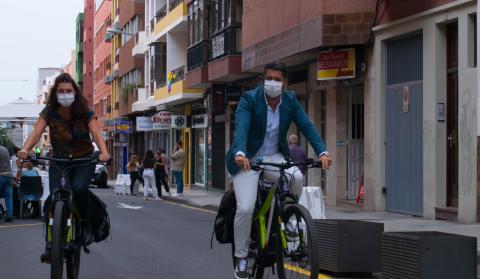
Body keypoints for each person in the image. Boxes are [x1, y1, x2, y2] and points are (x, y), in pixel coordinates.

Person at [225, 62, 332, 279]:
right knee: (245, 208)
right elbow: (241, 128)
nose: (272, 82)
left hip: (275, 157)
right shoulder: (250, 99)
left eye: (277, 79)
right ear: (264, 79)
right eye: (269, 78)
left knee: (297, 177)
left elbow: (307, 127)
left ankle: (289, 217)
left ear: (285, 82)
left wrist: (322, 152)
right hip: (248, 158)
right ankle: (242, 258)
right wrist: (240, 153)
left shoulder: (290, 101)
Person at [17, 73, 110, 263]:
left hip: (82, 161)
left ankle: (84, 225)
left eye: (68, 91)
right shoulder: (50, 111)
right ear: (55, 93)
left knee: (80, 189)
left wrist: (104, 152)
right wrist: (25, 149)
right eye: (61, 91)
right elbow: (36, 133)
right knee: (53, 198)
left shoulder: (84, 110)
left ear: (74, 92)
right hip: (58, 161)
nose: (65, 94)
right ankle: (51, 244)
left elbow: (96, 133)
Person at [0, 145, 14, 223]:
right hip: (9, 175)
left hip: (1, 174)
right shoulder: (5, 149)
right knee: (9, 197)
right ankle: (10, 215)